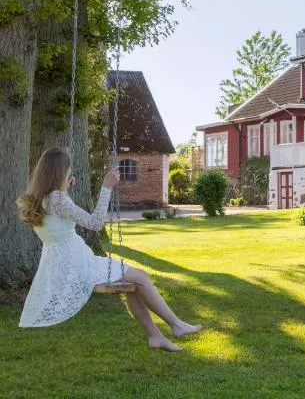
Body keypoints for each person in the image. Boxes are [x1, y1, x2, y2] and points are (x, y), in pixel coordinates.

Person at [17, 147, 201, 351]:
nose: (70, 173)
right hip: (78, 264)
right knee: (140, 277)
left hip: (63, 262)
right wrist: (106, 187)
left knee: (133, 283)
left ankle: (156, 337)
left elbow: (58, 221)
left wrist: (65, 189)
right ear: (60, 171)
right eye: (68, 170)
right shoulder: (58, 199)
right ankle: (176, 325)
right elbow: (95, 223)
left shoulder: (39, 198)